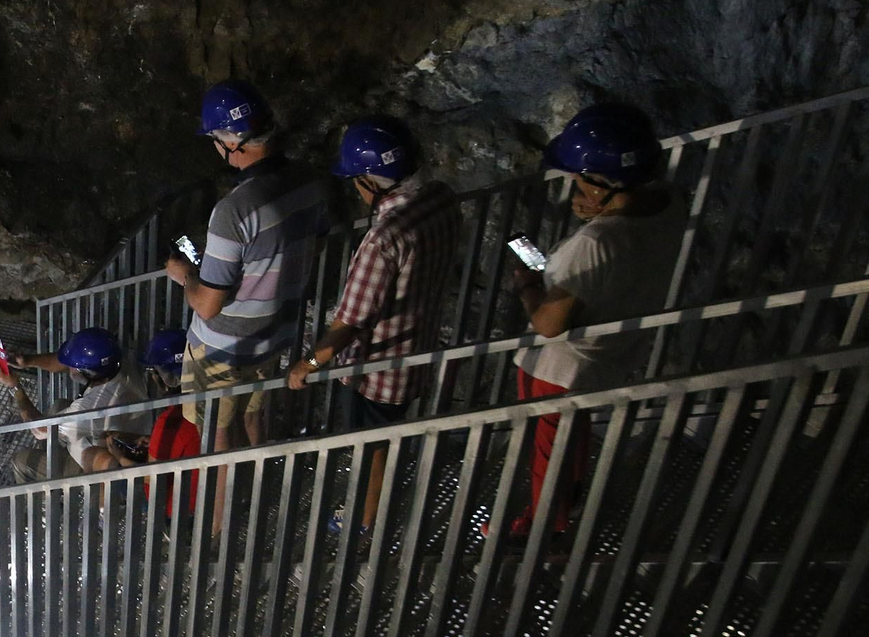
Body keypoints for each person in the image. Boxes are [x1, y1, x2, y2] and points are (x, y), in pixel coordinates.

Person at [499, 102, 687, 538]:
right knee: (574, 434)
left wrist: (527, 286)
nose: (574, 187)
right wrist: (600, 209)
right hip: (610, 351)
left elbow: (549, 324)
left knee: (548, 449)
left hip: (561, 366)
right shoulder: (668, 203)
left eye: (582, 181)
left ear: (604, 182)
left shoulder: (598, 241)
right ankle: (565, 504)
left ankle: (540, 530)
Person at [165, 80, 329, 532]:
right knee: (254, 413)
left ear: (230, 142)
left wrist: (184, 276)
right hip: (274, 333)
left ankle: (215, 534)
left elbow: (207, 305)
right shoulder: (309, 183)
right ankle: (262, 501)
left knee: (216, 439)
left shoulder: (234, 210)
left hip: (222, 347)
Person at [287, 116, 460, 540]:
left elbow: (351, 321)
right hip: (417, 346)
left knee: (371, 444)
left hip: (379, 368)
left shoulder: (384, 239)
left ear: (371, 181)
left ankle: (365, 519)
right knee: (386, 437)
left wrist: (308, 363)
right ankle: (371, 508)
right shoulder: (440, 199)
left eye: (357, 180)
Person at [0, 326, 150, 482]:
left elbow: (39, 429)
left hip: (97, 467)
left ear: (87, 372)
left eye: (73, 365)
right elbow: (65, 362)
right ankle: (52, 456)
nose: (68, 366)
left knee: (22, 461)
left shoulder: (91, 408)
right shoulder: (116, 363)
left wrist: (15, 387)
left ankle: (54, 500)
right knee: (59, 406)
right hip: (116, 435)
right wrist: (28, 361)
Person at [110, 330, 201, 518]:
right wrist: (153, 442)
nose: (152, 377)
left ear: (164, 376)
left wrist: (119, 457)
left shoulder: (167, 419)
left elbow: (152, 480)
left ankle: (107, 516)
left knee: (111, 470)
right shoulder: (205, 404)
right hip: (208, 497)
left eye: (153, 371)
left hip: (175, 508)